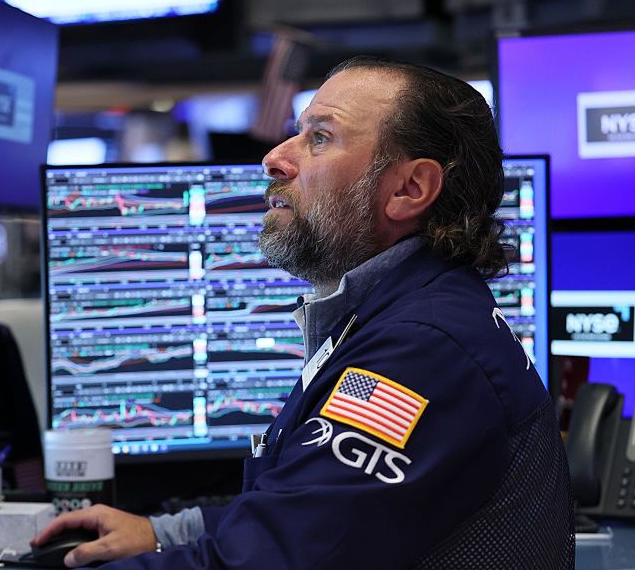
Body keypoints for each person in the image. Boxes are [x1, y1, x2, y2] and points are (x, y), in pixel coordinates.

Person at [29, 56, 575, 569]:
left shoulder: (422, 350)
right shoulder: (404, 315)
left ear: (411, 188)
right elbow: (303, 512)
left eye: (319, 138)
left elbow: (269, 561)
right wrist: (165, 533)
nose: (274, 157)